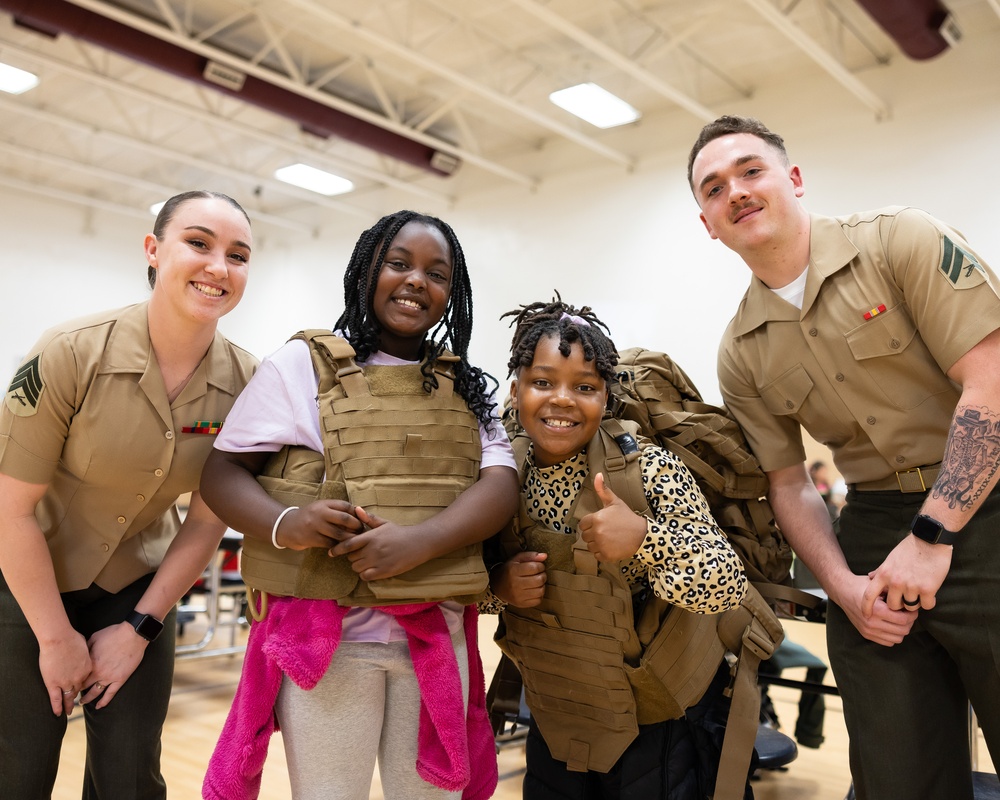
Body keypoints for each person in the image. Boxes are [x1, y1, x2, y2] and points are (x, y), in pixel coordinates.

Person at [688, 114, 1000, 800]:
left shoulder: (900, 240)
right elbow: (790, 485)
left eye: (750, 170)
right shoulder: (741, 351)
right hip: (873, 532)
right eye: (713, 188)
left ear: (793, 179)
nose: (735, 191)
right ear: (708, 224)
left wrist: (933, 533)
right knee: (896, 776)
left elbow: (993, 381)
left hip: (986, 509)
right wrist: (845, 590)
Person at [199, 210, 519, 800]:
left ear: (453, 293)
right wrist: (287, 522)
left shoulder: (465, 386)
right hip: (330, 643)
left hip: (436, 639)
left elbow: (499, 484)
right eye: (398, 264)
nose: (416, 281)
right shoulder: (301, 368)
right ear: (366, 270)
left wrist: (420, 543)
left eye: (436, 273)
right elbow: (221, 473)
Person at [0, 190, 257, 798]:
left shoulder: (248, 384)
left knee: (130, 779)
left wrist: (139, 629)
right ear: (153, 249)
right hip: (28, 584)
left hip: (137, 592)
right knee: (18, 768)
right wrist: (56, 637)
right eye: (199, 243)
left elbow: (203, 523)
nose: (219, 266)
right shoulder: (69, 352)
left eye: (238, 254)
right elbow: (10, 510)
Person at [483, 297, 750, 800]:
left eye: (584, 387)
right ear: (516, 391)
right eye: (543, 382)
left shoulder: (646, 471)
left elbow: (725, 584)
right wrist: (497, 586)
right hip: (556, 708)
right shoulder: (499, 474)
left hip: (658, 720)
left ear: (607, 398)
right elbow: (458, 585)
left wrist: (646, 539)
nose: (562, 399)